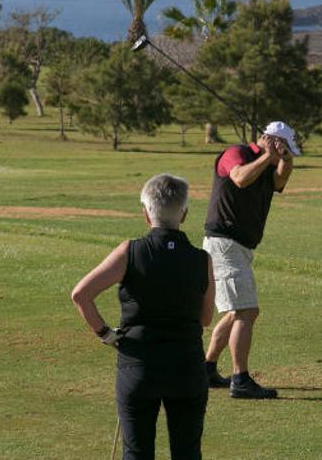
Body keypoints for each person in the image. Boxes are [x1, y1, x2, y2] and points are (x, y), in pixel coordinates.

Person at [71, 173, 215, 460]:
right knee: (187, 453)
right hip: (186, 367)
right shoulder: (202, 259)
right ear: (184, 214)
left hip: (138, 367)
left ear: (146, 215)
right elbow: (206, 318)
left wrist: (105, 334)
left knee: (137, 453)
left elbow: (81, 294)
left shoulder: (130, 251)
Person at [202, 121, 301, 399]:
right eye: (282, 146)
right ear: (269, 141)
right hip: (224, 243)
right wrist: (268, 155)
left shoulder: (268, 166)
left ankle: (206, 368)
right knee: (247, 311)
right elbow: (239, 178)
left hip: (240, 247)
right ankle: (241, 379)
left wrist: (285, 159)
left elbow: (280, 181)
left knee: (235, 312)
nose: (282, 154)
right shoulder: (237, 153)